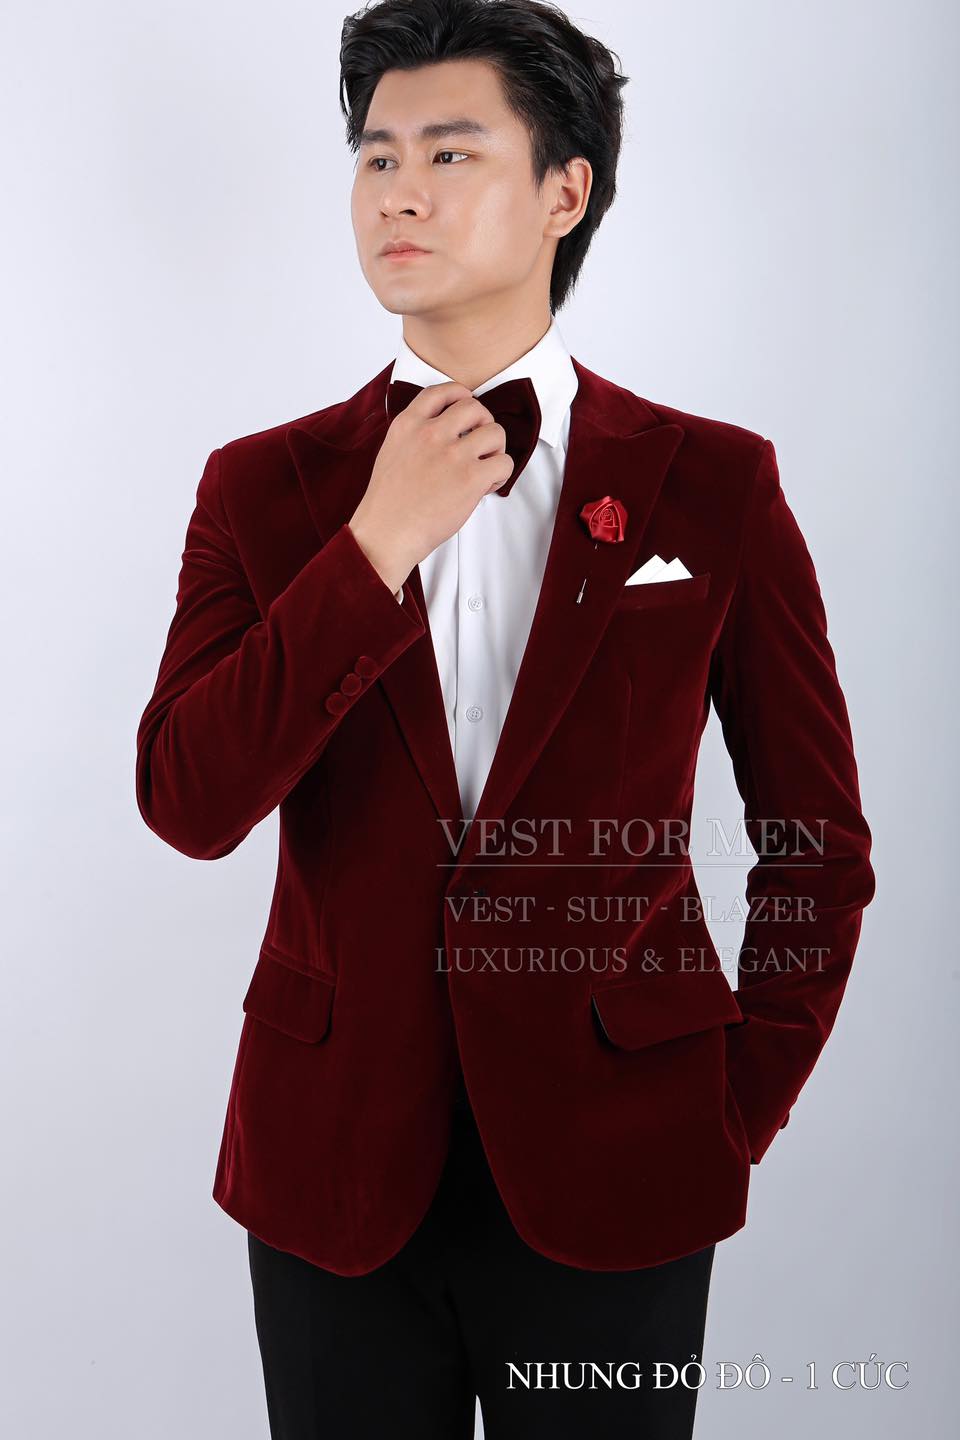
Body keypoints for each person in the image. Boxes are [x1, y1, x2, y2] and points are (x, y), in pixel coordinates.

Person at [134, 1, 876, 1435]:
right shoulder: (262, 490)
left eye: (450, 152)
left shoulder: (713, 483)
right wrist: (371, 552)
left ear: (564, 191)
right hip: (333, 1170)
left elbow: (818, 842)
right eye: (376, 156)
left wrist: (733, 1103)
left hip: (627, 1158)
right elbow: (187, 801)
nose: (397, 192)